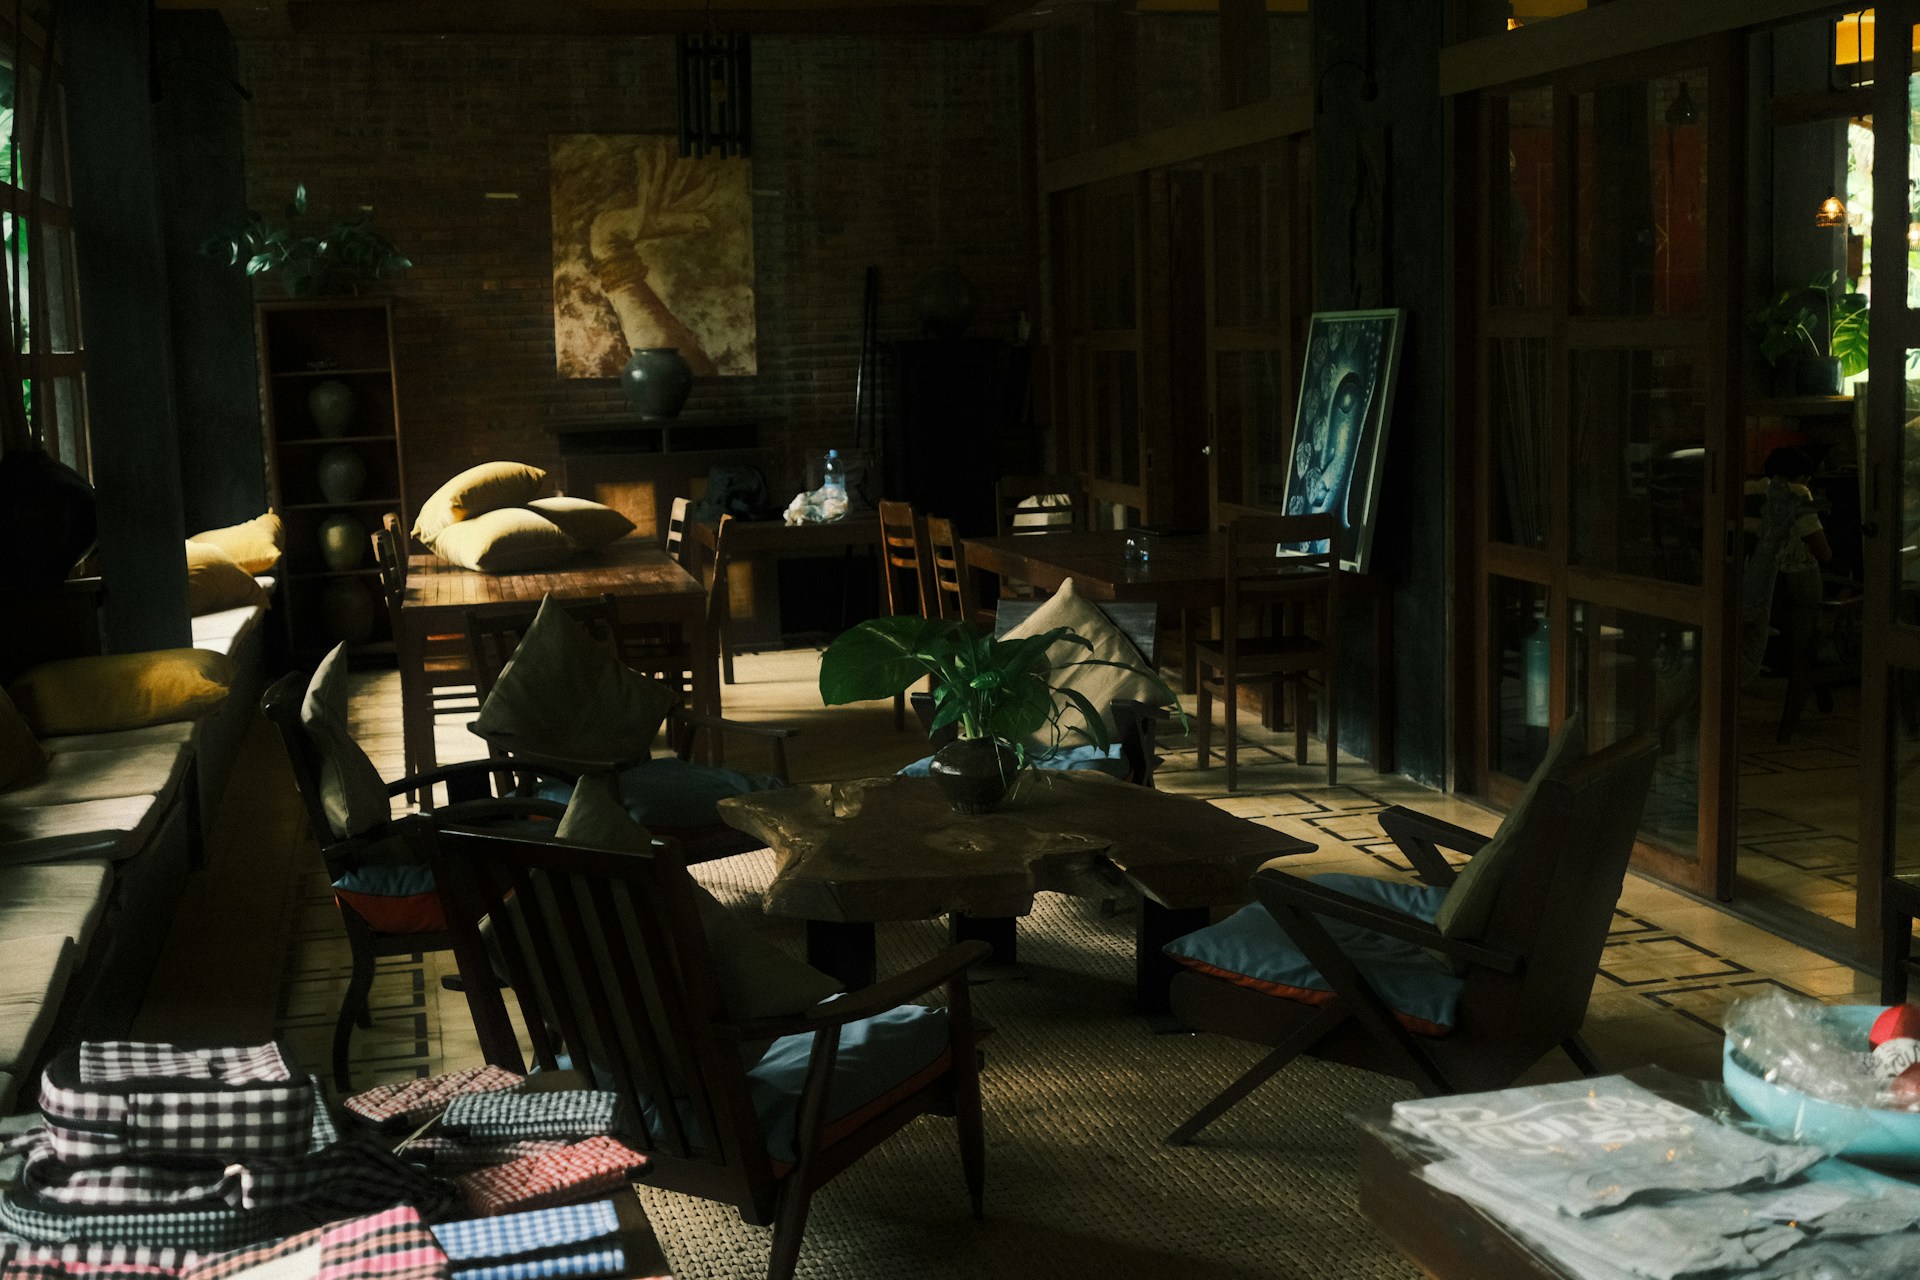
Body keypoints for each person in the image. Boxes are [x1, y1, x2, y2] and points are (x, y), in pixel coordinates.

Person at [1739, 447, 1832, 684]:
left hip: (1748, 590)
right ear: (1801, 477)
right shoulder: (1796, 493)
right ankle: (1818, 650)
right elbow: (1824, 553)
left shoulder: (1745, 490)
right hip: (1788, 598)